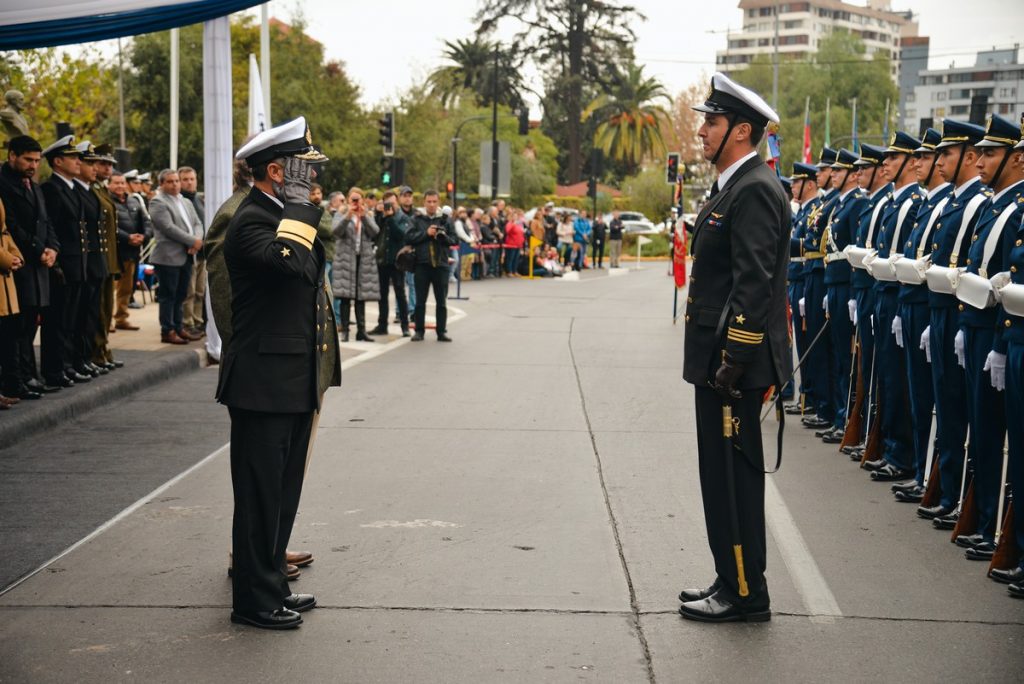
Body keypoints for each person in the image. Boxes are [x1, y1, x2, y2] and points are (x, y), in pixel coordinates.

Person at [217, 116, 339, 630]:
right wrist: (298, 206)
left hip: (288, 378)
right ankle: (253, 601)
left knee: (281, 493)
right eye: (299, 169)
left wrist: (298, 207)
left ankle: (271, 584)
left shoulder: (280, 213)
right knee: (260, 495)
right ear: (274, 170)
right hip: (262, 382)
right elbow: (289, 263)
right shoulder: (251, 220)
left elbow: (310, 274)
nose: (309, 180)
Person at [678, 72, 790, 623]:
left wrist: (734, 360)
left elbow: (754, 283)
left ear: (741, 131)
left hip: (733, 368)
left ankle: (746, 593)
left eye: (712, 122)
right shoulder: (735, 186)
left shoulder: (756, 190)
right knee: (716, 477)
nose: (701, 131)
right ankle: (730, 577)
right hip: (721, 363)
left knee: (733, 481)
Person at [949, 114, 1023, 560]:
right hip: (983, 330)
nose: (979, 161)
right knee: (984, 432)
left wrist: (997, 342)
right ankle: (987, 523)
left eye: (990, 154)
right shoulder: (1000, 206)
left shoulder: (1011, 209)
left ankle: (1002, 532)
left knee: (999, 436)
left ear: (1015, 160)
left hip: (1000, 335)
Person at [918, 120, 988, 527]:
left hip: (959, 315)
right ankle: (946, 490)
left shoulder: (976, 202)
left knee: (959, 410)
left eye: (947, 153)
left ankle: (961, 498)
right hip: (939, 310)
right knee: (945, 405)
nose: (940, 161)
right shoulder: (955, 203)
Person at [890, 128, 950, 503]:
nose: (922, 163)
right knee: (910, 391)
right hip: (908, 302)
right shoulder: (929, 204)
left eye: (929, 158)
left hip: (937, 311)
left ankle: (938, 484)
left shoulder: (943, 204)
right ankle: (918, 469)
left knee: (938, 402)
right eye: (926, 157)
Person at [861, 131, 923, 483]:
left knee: (898, 379)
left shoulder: (912, 201)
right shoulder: (896, 202)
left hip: (898, 295)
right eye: (885, 159)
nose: (885, 164)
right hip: (882, 292)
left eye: (892, 159)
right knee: (886, 373)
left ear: (910, 162)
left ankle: (902, 455)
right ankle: (891, 447)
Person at [0, 135, 61, 395]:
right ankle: (16, 379)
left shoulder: (33, 186)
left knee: (30, 325)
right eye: (28, 159)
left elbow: (46, 223)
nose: (33, 165)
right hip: (18, 263)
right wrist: (38, 250)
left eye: (36, 160)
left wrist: (53, 249)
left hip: (39, 264)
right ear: (12, 155)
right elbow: (12, 226)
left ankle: (27, 375)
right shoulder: (3, 184)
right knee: (16, 326)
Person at [818, 149, 865, 443]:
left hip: (846, 285)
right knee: (836, 353)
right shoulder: (840, 204)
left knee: (847, 359)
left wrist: (849, 291)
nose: (833, 175)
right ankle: (839, 415)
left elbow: (855, 248)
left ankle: (847, 418)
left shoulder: (856, 204)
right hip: (833, 283)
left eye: (838, 171)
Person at [40, 136, 91, 386]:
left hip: (77, 264)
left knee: (72, 320)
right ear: (58, 161)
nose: (77, 162)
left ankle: (67, 364)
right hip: (63, 265)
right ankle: (54, 369)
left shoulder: (70, 188)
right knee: (57, 321)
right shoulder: (52, 188)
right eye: (72, 158)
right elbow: (54, 228)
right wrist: (57, 262)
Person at [149, 168, 203, 345]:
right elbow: (168, 228)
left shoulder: (185, 201)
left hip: (187, 255)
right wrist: (192, 241)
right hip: (168, 257)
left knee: (181, 294)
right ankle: (168, 330)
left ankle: (179, 327)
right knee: (168, 295)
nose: (175, 184)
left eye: (176, 181)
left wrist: (197, 240)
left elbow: (197, 223)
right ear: (162, 184)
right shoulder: (158, 202)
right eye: (170, 181)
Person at [783, 162, 818, 415]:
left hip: (804, 280)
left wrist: (780, 236)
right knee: (801, 344)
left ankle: (813, 399)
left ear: (810, 184)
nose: (793, 186)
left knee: (810, 346)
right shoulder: (805, 212)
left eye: (797, 182)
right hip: (794, 279)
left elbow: (812, 248)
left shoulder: (815, 210)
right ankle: (806, 396)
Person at [332, 186, 380, 342]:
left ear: (363, 200)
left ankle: (361, 331)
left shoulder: (368, 214)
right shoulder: (341, 213)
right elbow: (336, 231)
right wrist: (348, 215)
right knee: (345, 297)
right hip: (346, 259)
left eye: (358, 199)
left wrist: (363, 216)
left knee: (361, 297)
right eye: (352, 199)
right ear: (347, 199)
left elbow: (375, 232)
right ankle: (345, 331)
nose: (355, 202)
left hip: (363, 259)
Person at [90, 144, 122, 371]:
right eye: (102, 163)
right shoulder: (92, 190)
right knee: (98, 311)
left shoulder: (101, 190)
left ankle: (102, 350)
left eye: (110, 164)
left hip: (109, 259)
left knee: (106, 309)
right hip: (97, 259)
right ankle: (96, 353)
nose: (107, 168)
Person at [406, 190, 454, 342]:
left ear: (438, 203)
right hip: (422, 264)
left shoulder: (445, 220)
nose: (432, 204)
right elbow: (408, 237)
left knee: (441, 301)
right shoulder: (417, 219)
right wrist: (426, 233)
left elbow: (454, 241)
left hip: (441, 264)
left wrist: (443, 236)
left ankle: (441, 331)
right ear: (424, 203)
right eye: (429, 202)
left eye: (434, 201)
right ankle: (419, 331)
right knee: (420, 301)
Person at [369, 190, 410, 336]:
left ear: (397, 201)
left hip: (397, 261)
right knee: (382, 295)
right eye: (386, 203)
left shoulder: (402, 217)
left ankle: (405, 326)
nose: (389, 206)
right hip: (382, 260)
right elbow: (375, 234)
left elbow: (401, 235)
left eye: (392, 203)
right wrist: (379, 215)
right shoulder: (381, 217)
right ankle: (382, 325)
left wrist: (391, 218)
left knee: (400, 294)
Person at [179, 166, 207, 338]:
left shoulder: (199, 199)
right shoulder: (181, 201)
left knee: (200, 291)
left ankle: (198, 321)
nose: (189, 182)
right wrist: (193, 241)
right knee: (188, 292)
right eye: (185, 179)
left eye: (192, 178)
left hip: (203, 252)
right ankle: (187, 322)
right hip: (189, 252)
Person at [502, 210, 524, 277]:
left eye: (516, 216)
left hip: (518, 244)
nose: (515, 217)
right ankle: (509, 271)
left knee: (516, 258)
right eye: (514, 216)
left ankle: (514, 271)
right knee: (510, 258)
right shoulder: (509, 224)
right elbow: (507, 231)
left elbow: (521, 234)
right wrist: (513, 225)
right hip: (511, 244)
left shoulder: (518, 225)